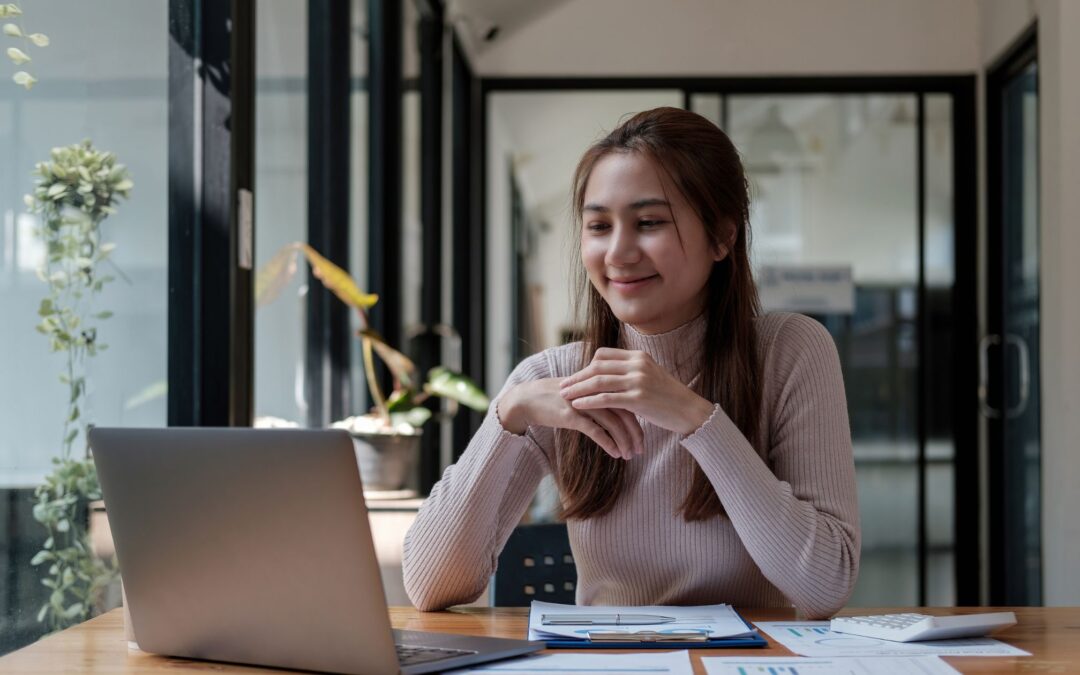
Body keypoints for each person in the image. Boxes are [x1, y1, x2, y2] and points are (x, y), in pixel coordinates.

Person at [402, 107, 859, 619]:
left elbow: (825, 585)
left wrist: (696, 419)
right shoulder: (551, 380)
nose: (618, 252)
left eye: (648, 223)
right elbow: (428, 585)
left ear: (722, 236)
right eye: (599, 225)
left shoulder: (790, 351)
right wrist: (507, 415)